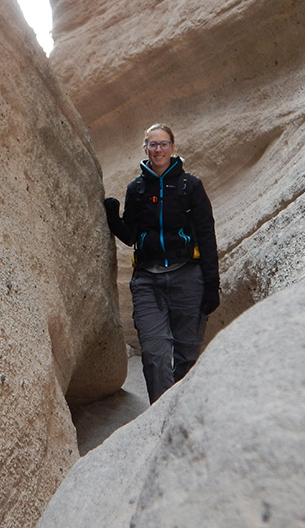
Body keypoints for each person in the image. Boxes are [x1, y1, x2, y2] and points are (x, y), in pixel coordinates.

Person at [103, 123, 219, 404]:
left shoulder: (189, 186)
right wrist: (112, 219)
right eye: (152, 145)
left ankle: (182, 414)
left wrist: (211, 284)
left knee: (187, 355)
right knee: (155, 355)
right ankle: (159, 424)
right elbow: (131, 234)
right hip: (148, 282)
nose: (158, 150)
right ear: (145, 148)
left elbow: (206, 234)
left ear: (173, 147)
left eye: (163, 144)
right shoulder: (138, 188)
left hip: (187, 278)